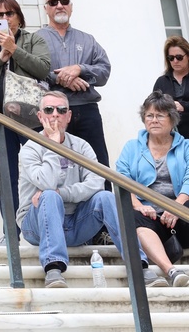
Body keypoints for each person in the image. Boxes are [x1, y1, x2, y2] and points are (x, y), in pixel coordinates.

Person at [17, 93, 143, 288]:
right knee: (49, 196)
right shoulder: (30, 149)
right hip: (36, 226)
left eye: (61, 110)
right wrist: (52, 144)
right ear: (41, 116)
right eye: (49, 110)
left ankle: (139, 264)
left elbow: (96, 182)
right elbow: (47, 184)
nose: (55, 115)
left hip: (76, 223)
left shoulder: (81, 146)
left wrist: (64, 193)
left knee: (106, 197)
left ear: (69, 116)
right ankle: (53, 268)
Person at [0, 0, 51, 224]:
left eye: (9, 14)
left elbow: (43, 69)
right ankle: (11, 234)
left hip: (30, 121)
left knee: (39, 176)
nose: (4, 19)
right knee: (7, 179)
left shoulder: (34, 40)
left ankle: (42, 226)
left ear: (19, 17)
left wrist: (14, 50)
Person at [116, 92, 189, 288]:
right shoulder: (132, 148)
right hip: (150, 215)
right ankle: (171, 271)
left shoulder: (186, 147)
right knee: (132, 216)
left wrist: (176, 206)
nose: (154, 120)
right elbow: (123, 180)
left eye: (160, 115)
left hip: (180, 211)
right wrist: (139, 205)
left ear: (172, 119)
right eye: (149, 115)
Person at [35, 0, 111, 166]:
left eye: (64, 1)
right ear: (46, 9)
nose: (59, 6)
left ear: (71, 7)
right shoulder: (36, 39)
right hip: (52, 112)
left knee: (98, 164)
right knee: (57, 165)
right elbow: (31, 71)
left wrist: (80, 69)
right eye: (53, 3)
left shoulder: (87, 40)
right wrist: (60, 77)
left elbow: (104, 71)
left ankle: (105, 195)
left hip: (86, 110)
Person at [153, 36, 189, 140]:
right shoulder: (161, 81)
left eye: (179, 57)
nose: (175, 61)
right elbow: (152, 107)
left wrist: (183, 106)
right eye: (171, 58)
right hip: (171, 138)